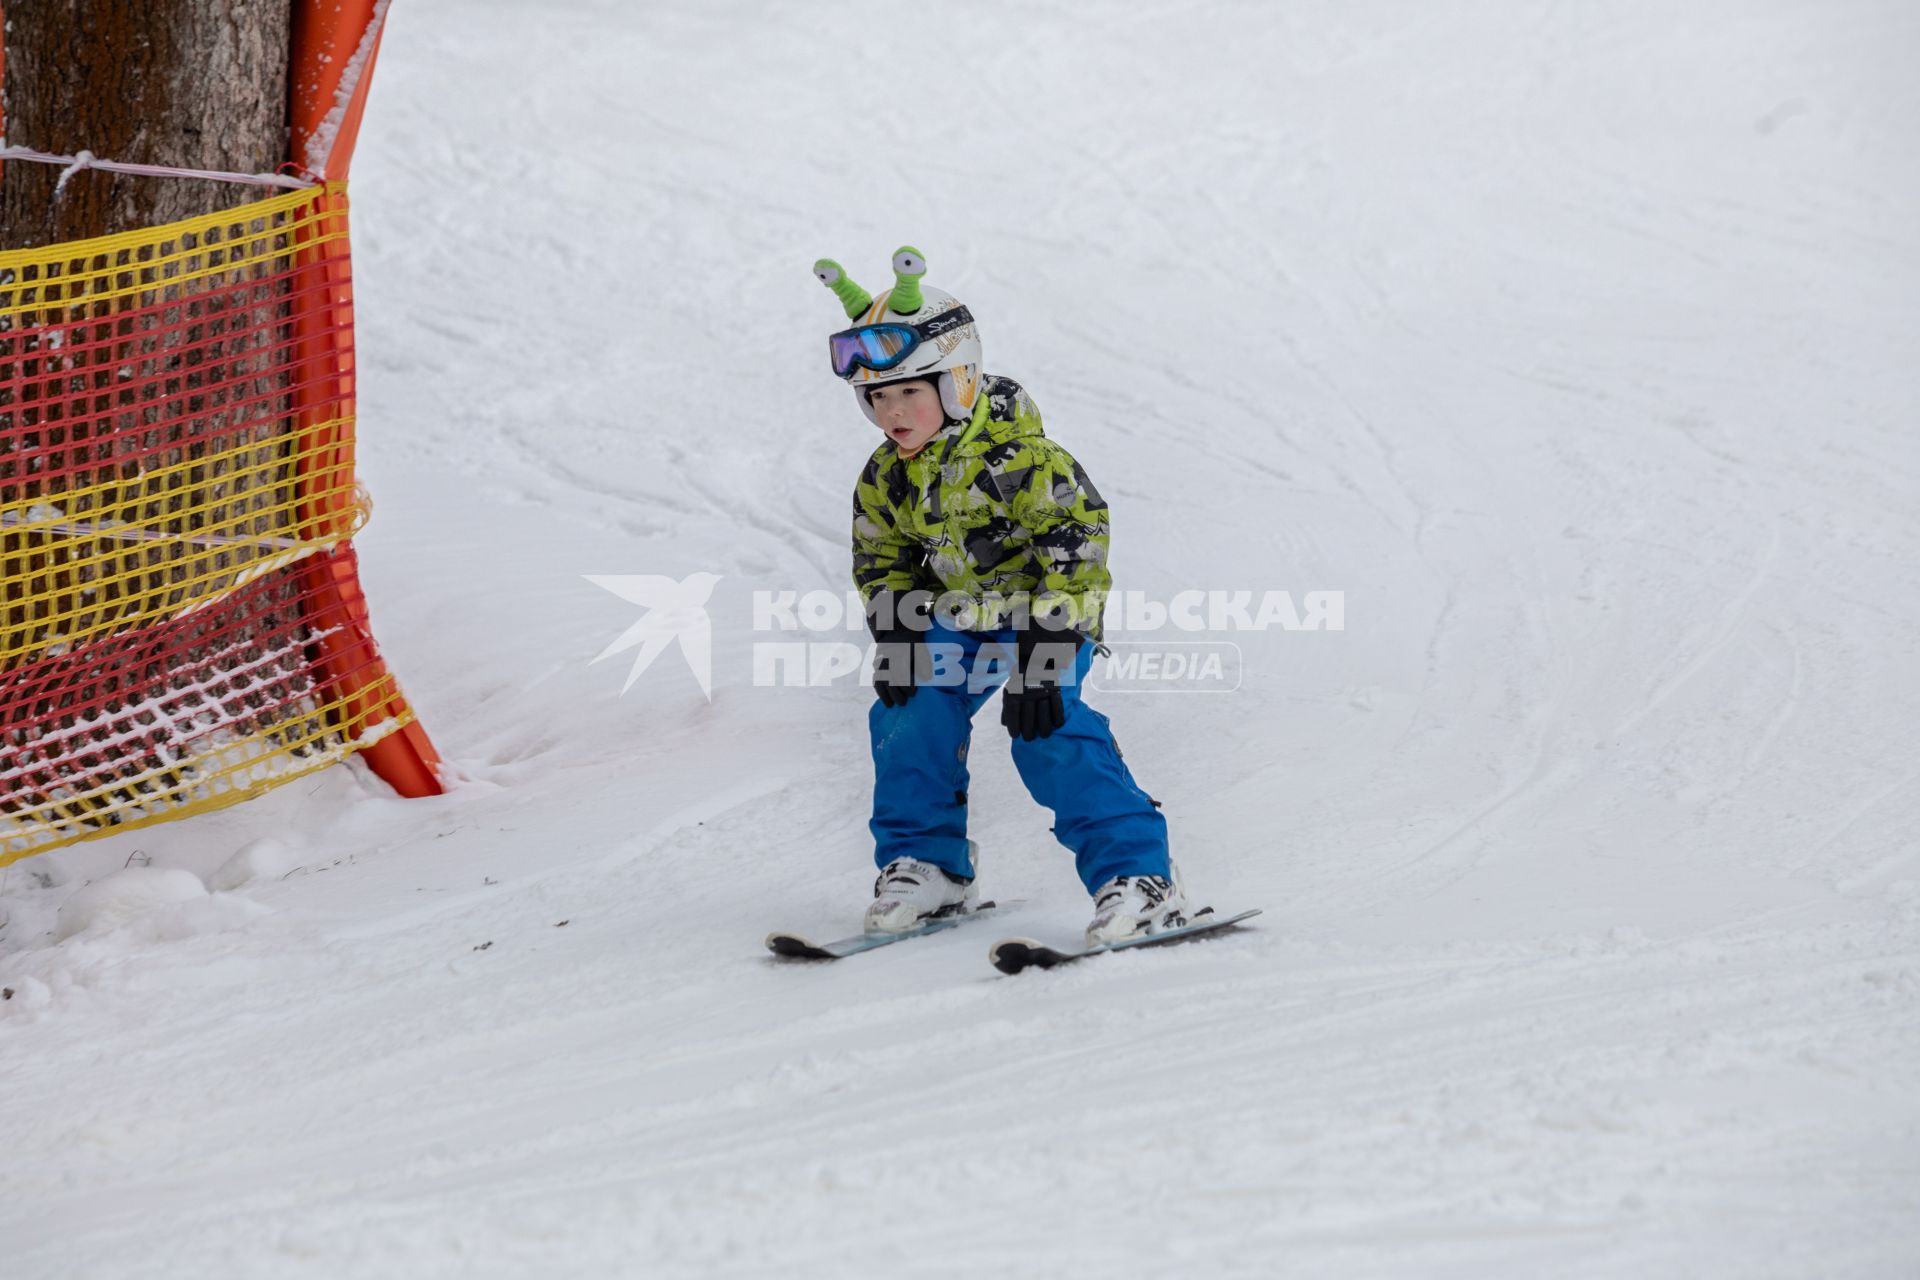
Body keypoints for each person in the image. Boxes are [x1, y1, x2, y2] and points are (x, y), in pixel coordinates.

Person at [813, 245, 1200, 945]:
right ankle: (930, 867)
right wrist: (897, 628)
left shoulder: (1025, 460)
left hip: (1043, 619)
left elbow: (1077, 545)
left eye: (908, 392)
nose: (889, 413)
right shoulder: (887, 473)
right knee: (909, 713)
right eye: (875, 397)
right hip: (960, 619)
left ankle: (1140, 879)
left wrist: (1050, 645)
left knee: (1046, 728)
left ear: (959, 380)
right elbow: (882, 555)